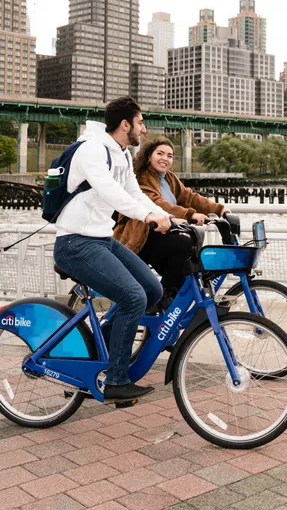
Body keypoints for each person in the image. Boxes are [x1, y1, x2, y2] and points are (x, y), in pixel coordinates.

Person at [52, 97, 170, 404]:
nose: (144, 129)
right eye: (141, 122)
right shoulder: (93, 148)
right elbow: (110, 192)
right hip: (75, 243)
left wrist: (169, 217)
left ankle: (91, 356)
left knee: (152, 290)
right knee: (133, 298)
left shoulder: (122, 153)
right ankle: (117, 380)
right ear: (126, 124)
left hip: (101, 239)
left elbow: (133, 192)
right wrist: (147, 216)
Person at [114, 137, 229, 308]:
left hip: (161, 233)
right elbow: (156, 202)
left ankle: (165, 308)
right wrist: (190, 215)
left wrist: (220, 209)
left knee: (188, 266)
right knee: (183, 243)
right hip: (141, 236)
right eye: (160, 153)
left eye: (169, 156)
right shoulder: (143, 176)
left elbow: (189, 197)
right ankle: (161, 296)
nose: (165, 159)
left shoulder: (169, 178)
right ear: (149, 156)